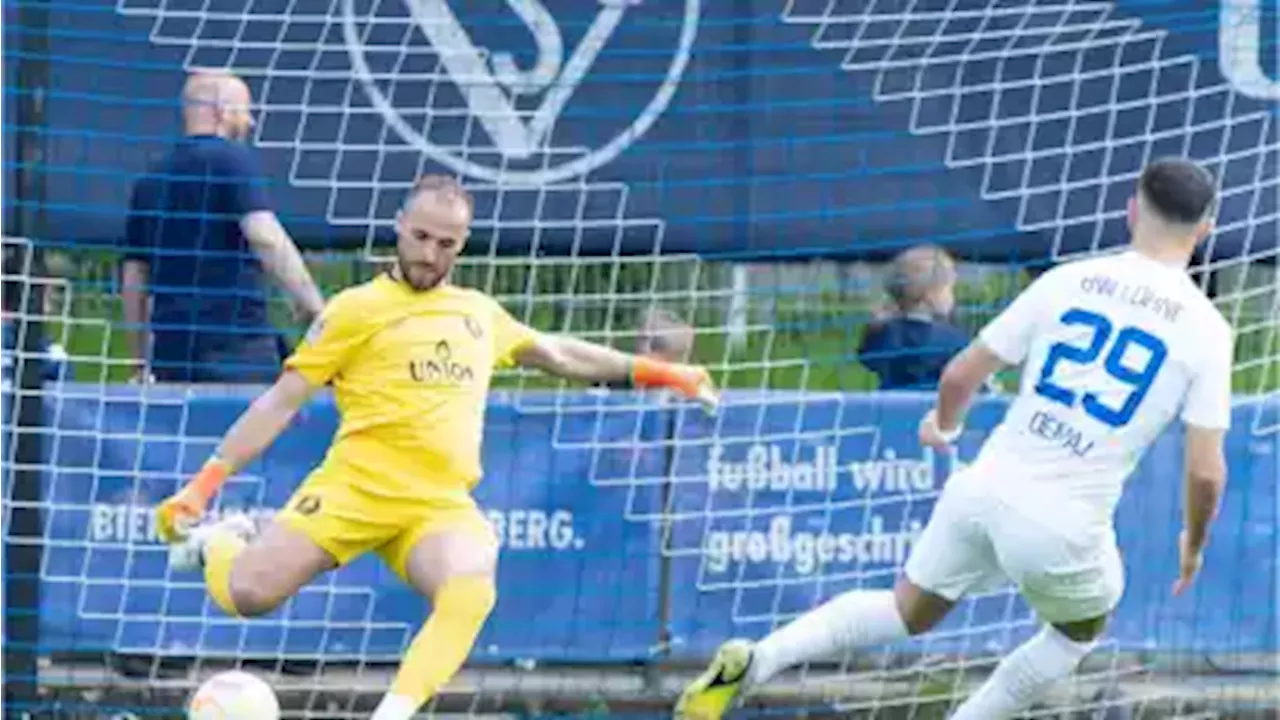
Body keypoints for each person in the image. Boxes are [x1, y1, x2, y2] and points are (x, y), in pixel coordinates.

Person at [676, 157, 1232, 719]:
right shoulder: (1207, 328)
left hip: (983, 489)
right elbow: (1206, 470)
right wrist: (1194, 542)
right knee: (1075, 634)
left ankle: (759, 658)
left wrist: (944, 426)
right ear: (1205, 229)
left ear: (1131, 210)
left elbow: (960, 375)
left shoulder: (1069, 280)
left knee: (905, 611)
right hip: (1066, 523)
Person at [154, 175, 718, 720]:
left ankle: (393, 714)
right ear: (399, 226)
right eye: (420, 237)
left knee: (472, 588)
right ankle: (221, 543)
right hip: (354, 491)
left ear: (462, 244)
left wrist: (668, 375)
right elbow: (280, 402)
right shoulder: (353, 310)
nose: (429, 253)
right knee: (248, 594)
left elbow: (561, 355)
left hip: (435, 506)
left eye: (445, 243)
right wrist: (203, 485)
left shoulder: (477, 313)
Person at [121, 70, 325, 384]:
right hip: (239, 352)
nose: (250, 123)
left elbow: (134, 279)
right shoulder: (231, 160)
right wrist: (315, 308)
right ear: (221, 110)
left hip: (172, 360)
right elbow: (266, 237)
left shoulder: (149, 181)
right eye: (245, 111)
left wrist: (138, 361)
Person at [858, 244, 970, 390]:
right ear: (931, 295)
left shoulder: (884, 332)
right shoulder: (951, 339)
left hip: (888, 405)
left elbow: (867, 360)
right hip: (935, 407)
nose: (952, 297)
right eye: (950, 289)